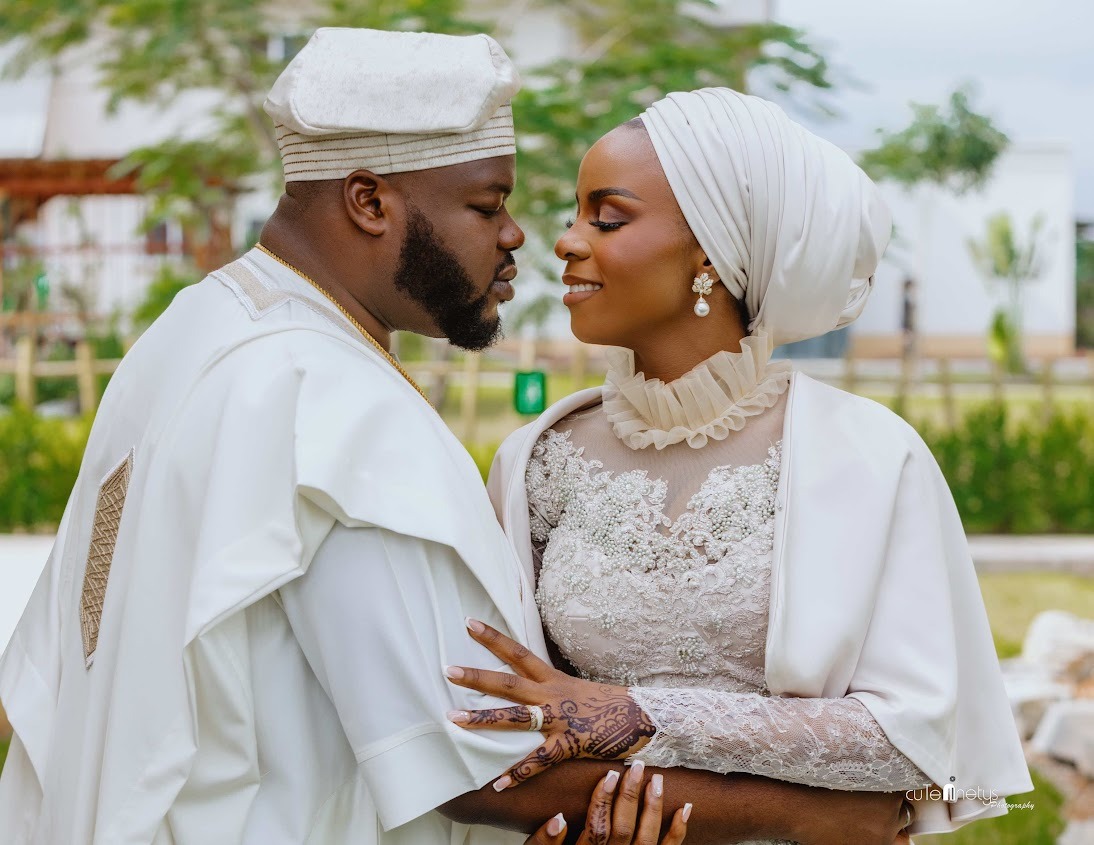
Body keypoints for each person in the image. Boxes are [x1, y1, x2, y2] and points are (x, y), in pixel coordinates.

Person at [0, 32, 908, 845]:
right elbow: (479, 762)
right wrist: (818, 816)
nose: (524, 238)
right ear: (368, 201)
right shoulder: (332, 400)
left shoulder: (196, 327)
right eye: (486, 204)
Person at [447, 88, 1033, 840]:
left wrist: (642, 716)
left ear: (709, 254)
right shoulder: (537, 458)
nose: (564, 241)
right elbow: (506, 722)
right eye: (574, 214)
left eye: (608, 216)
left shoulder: (868, 455)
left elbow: (915, 743)